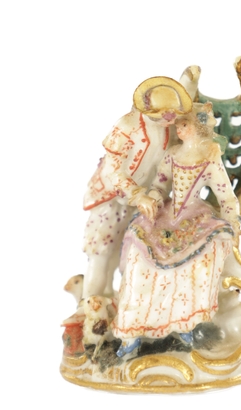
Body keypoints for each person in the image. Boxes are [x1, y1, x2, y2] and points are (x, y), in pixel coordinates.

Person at [111, 102, 241, 356]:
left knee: (199, 260)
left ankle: (183, 324)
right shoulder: (172, 154)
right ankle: (133, 330)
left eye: (184, 124)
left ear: (199, 127)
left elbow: (226, 197)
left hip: (195, 217)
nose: (178, 129)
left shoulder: (210, 158)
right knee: (139, 254)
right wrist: (153, 199)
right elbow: (160, 185)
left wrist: (233, 224)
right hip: (167, 215)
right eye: (178, 125)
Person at [81, 69, 201, 301]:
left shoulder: (167, 130)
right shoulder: (127, 127)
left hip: (143, 202)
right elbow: (112, 169)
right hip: (111, 198)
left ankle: (114, 301)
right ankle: (90, 301)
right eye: (164, 115)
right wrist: (136, 195)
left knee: (125, 251)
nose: (170, 120)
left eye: (172, 115)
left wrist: (190, 81)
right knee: (102, 252)